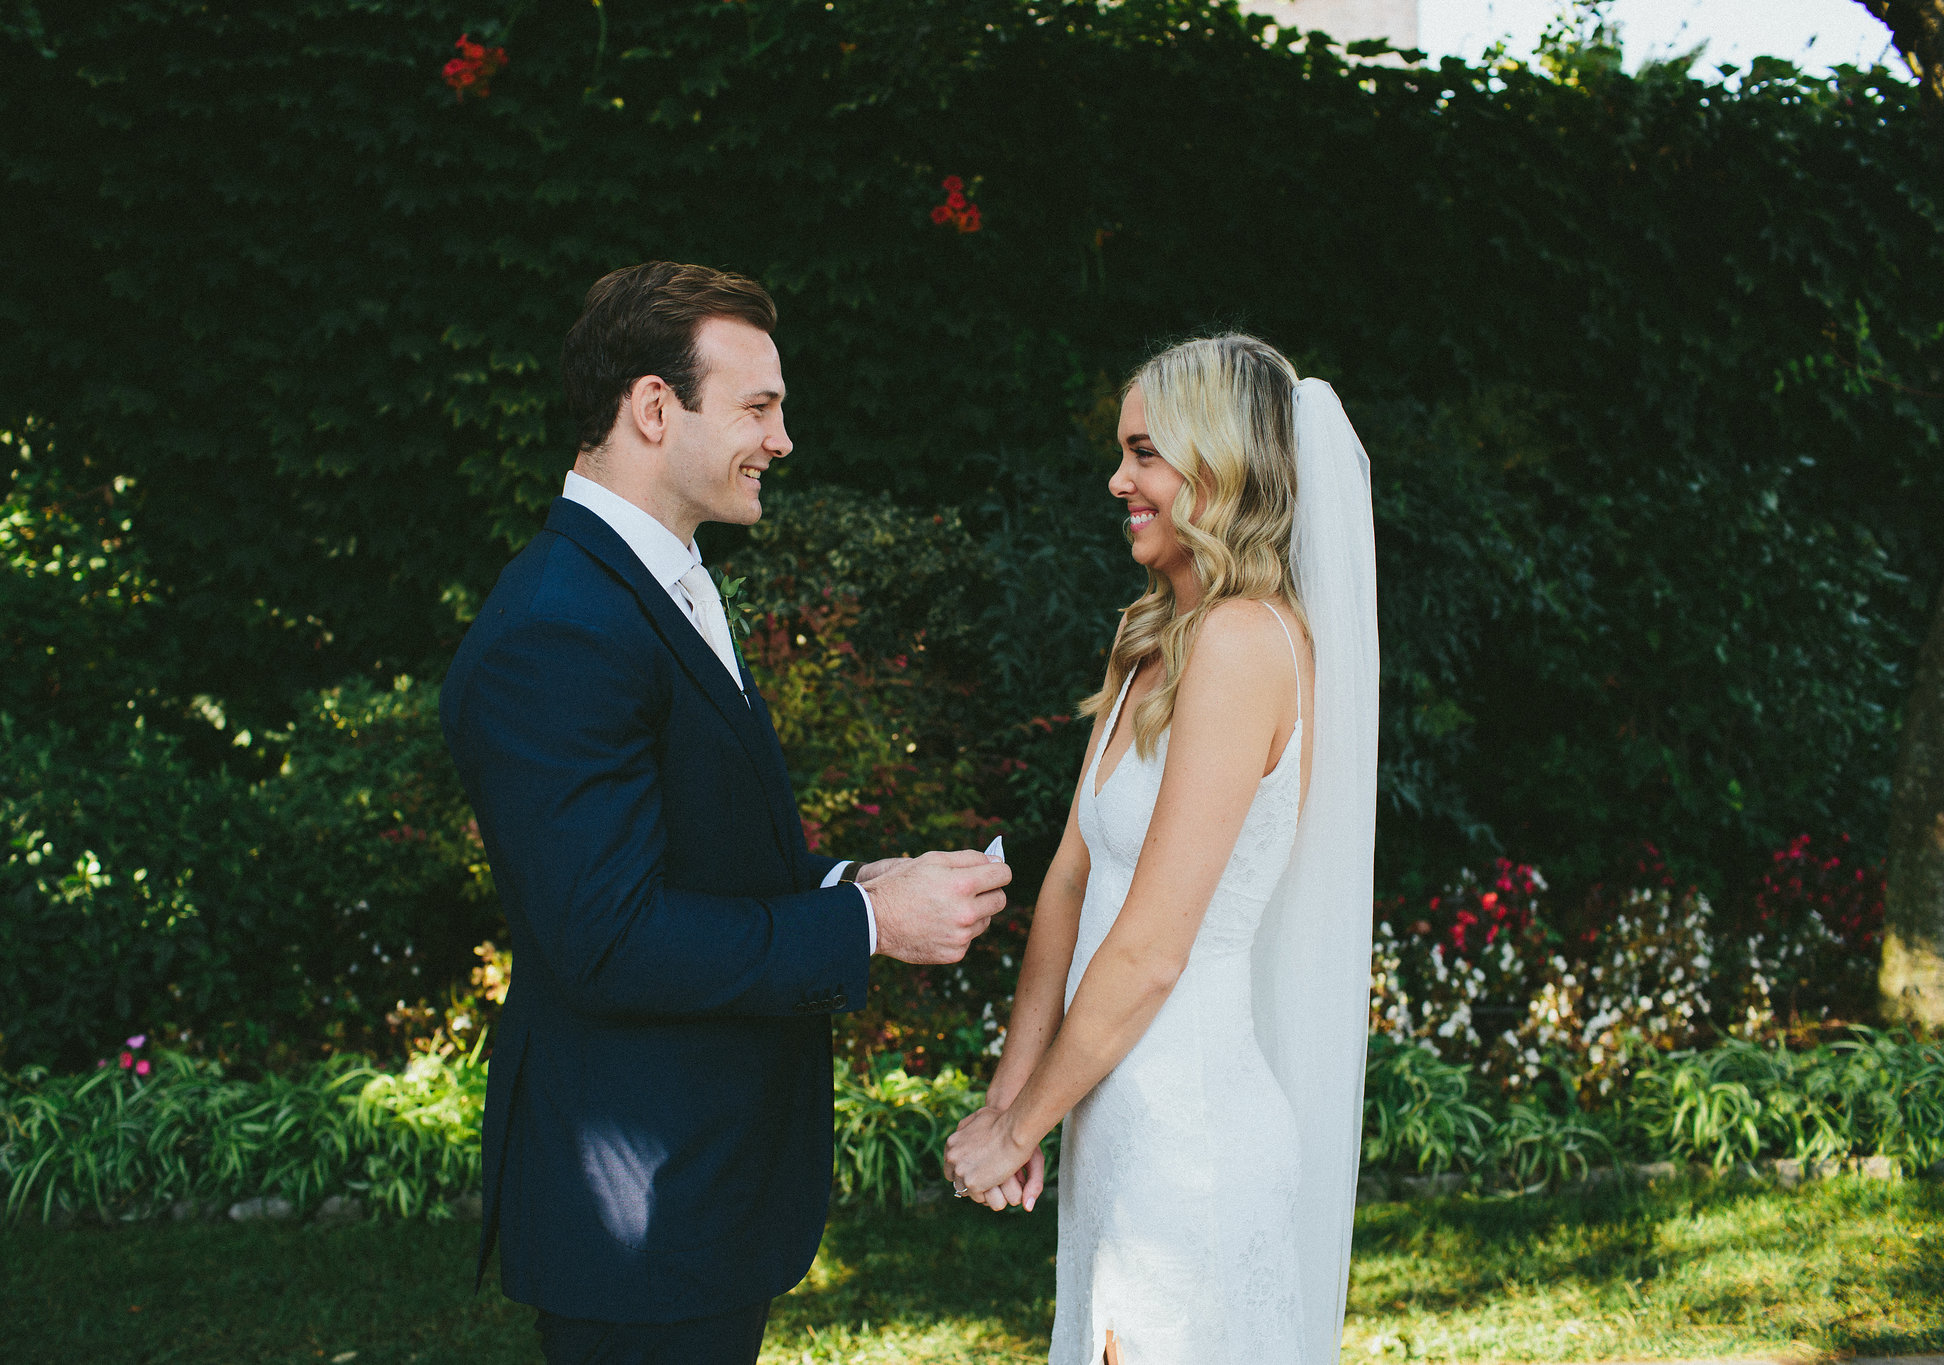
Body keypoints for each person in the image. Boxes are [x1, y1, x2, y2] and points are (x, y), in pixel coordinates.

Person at [439, 260, 1013, 1365]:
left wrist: (859, 884)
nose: (782, 438)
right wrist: (866, 931)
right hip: (636, 1204)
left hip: (695, 1189)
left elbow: (697, 859)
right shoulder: (558, 625)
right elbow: (606, 939)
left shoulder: (659, 581)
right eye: (758, 406)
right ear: (654, 409)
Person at [942, 335, 1381, 1365]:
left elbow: (1149, 950)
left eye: (1143, 452)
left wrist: (1018, 1133)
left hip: (1191, 1136)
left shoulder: (1243, 645)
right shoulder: (1152, 638)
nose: (1117, 480)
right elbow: (1067, 880)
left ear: (1219, 466)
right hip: (1115, 1112)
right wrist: (1011, 1096)